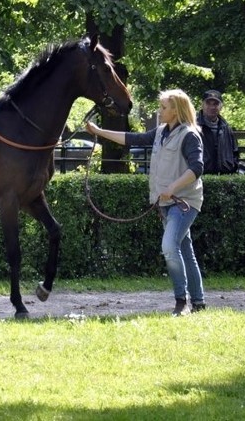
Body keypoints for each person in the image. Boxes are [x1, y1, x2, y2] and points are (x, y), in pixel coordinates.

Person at [86, 89, 206, 316]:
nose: (159, 111)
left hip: (184, 202)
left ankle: (181, 302)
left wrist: (172, 188)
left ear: (176, 110)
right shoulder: (161, 132)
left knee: (169, 247)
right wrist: (99, 131)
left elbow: (197, 168)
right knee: (184, 250)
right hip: (165, 203)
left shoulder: (190, 135)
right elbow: (133, 139)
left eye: (163, 107)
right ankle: (198, 302)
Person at [196, 90, 239, 174]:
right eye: (208, 103)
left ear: (221, 106)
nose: (212, 107)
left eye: (215, 104)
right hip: (201, 175)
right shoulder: (194, 127)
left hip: (225, 177)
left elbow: (235, 152)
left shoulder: (227, 128)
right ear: (202, 105)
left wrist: (233, 167)